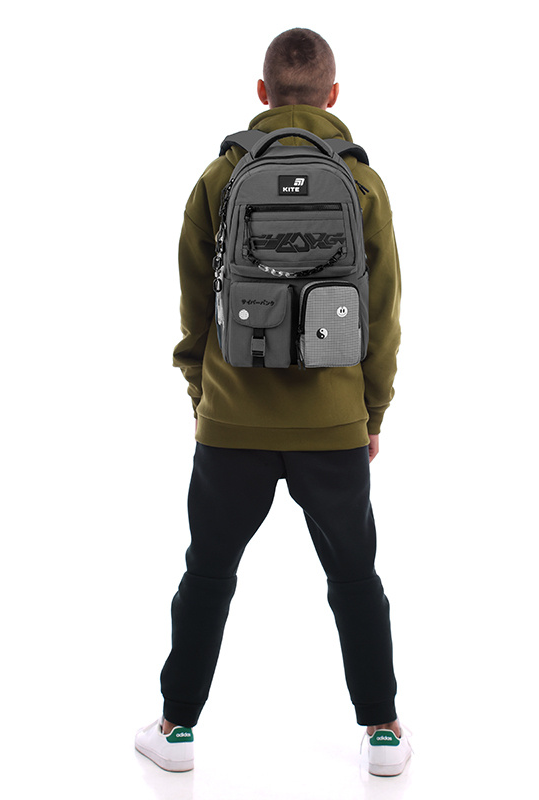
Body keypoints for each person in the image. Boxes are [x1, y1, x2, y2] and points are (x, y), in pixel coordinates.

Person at [135, 28, 409, 777]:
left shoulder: (221, 176)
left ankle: (176, 729)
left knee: (208, 573)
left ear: (262, 93)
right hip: (334, 420)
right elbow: (382, 314)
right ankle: (383, 731)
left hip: (232, 421)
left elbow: (195, 307)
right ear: (333, 94)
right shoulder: (362, 181)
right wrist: (371, 413)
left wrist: (204, 394)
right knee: (355, 577)